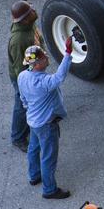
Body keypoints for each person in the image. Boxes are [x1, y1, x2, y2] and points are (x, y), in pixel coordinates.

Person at [17, 39, 74, 199]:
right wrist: (68, 53)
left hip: (33, 121)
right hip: (47, 125)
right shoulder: (43, 82)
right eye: (43, 58)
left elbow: (23, 99)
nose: (47, 57)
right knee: (49, 157)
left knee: (33, 149)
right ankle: (49, 189)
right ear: (36, 64)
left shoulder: (22, 76)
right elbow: (60, 76)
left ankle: (34, 176)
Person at [6, 1, 42, 150]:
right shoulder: (19, 40)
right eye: (30, 11)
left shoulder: (29, 25)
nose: (34, 9)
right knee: (21, 105)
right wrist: (28, 84)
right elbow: (20, 68)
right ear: (25, 19)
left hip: (34, 69)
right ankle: (18, 137)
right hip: (23, 76)